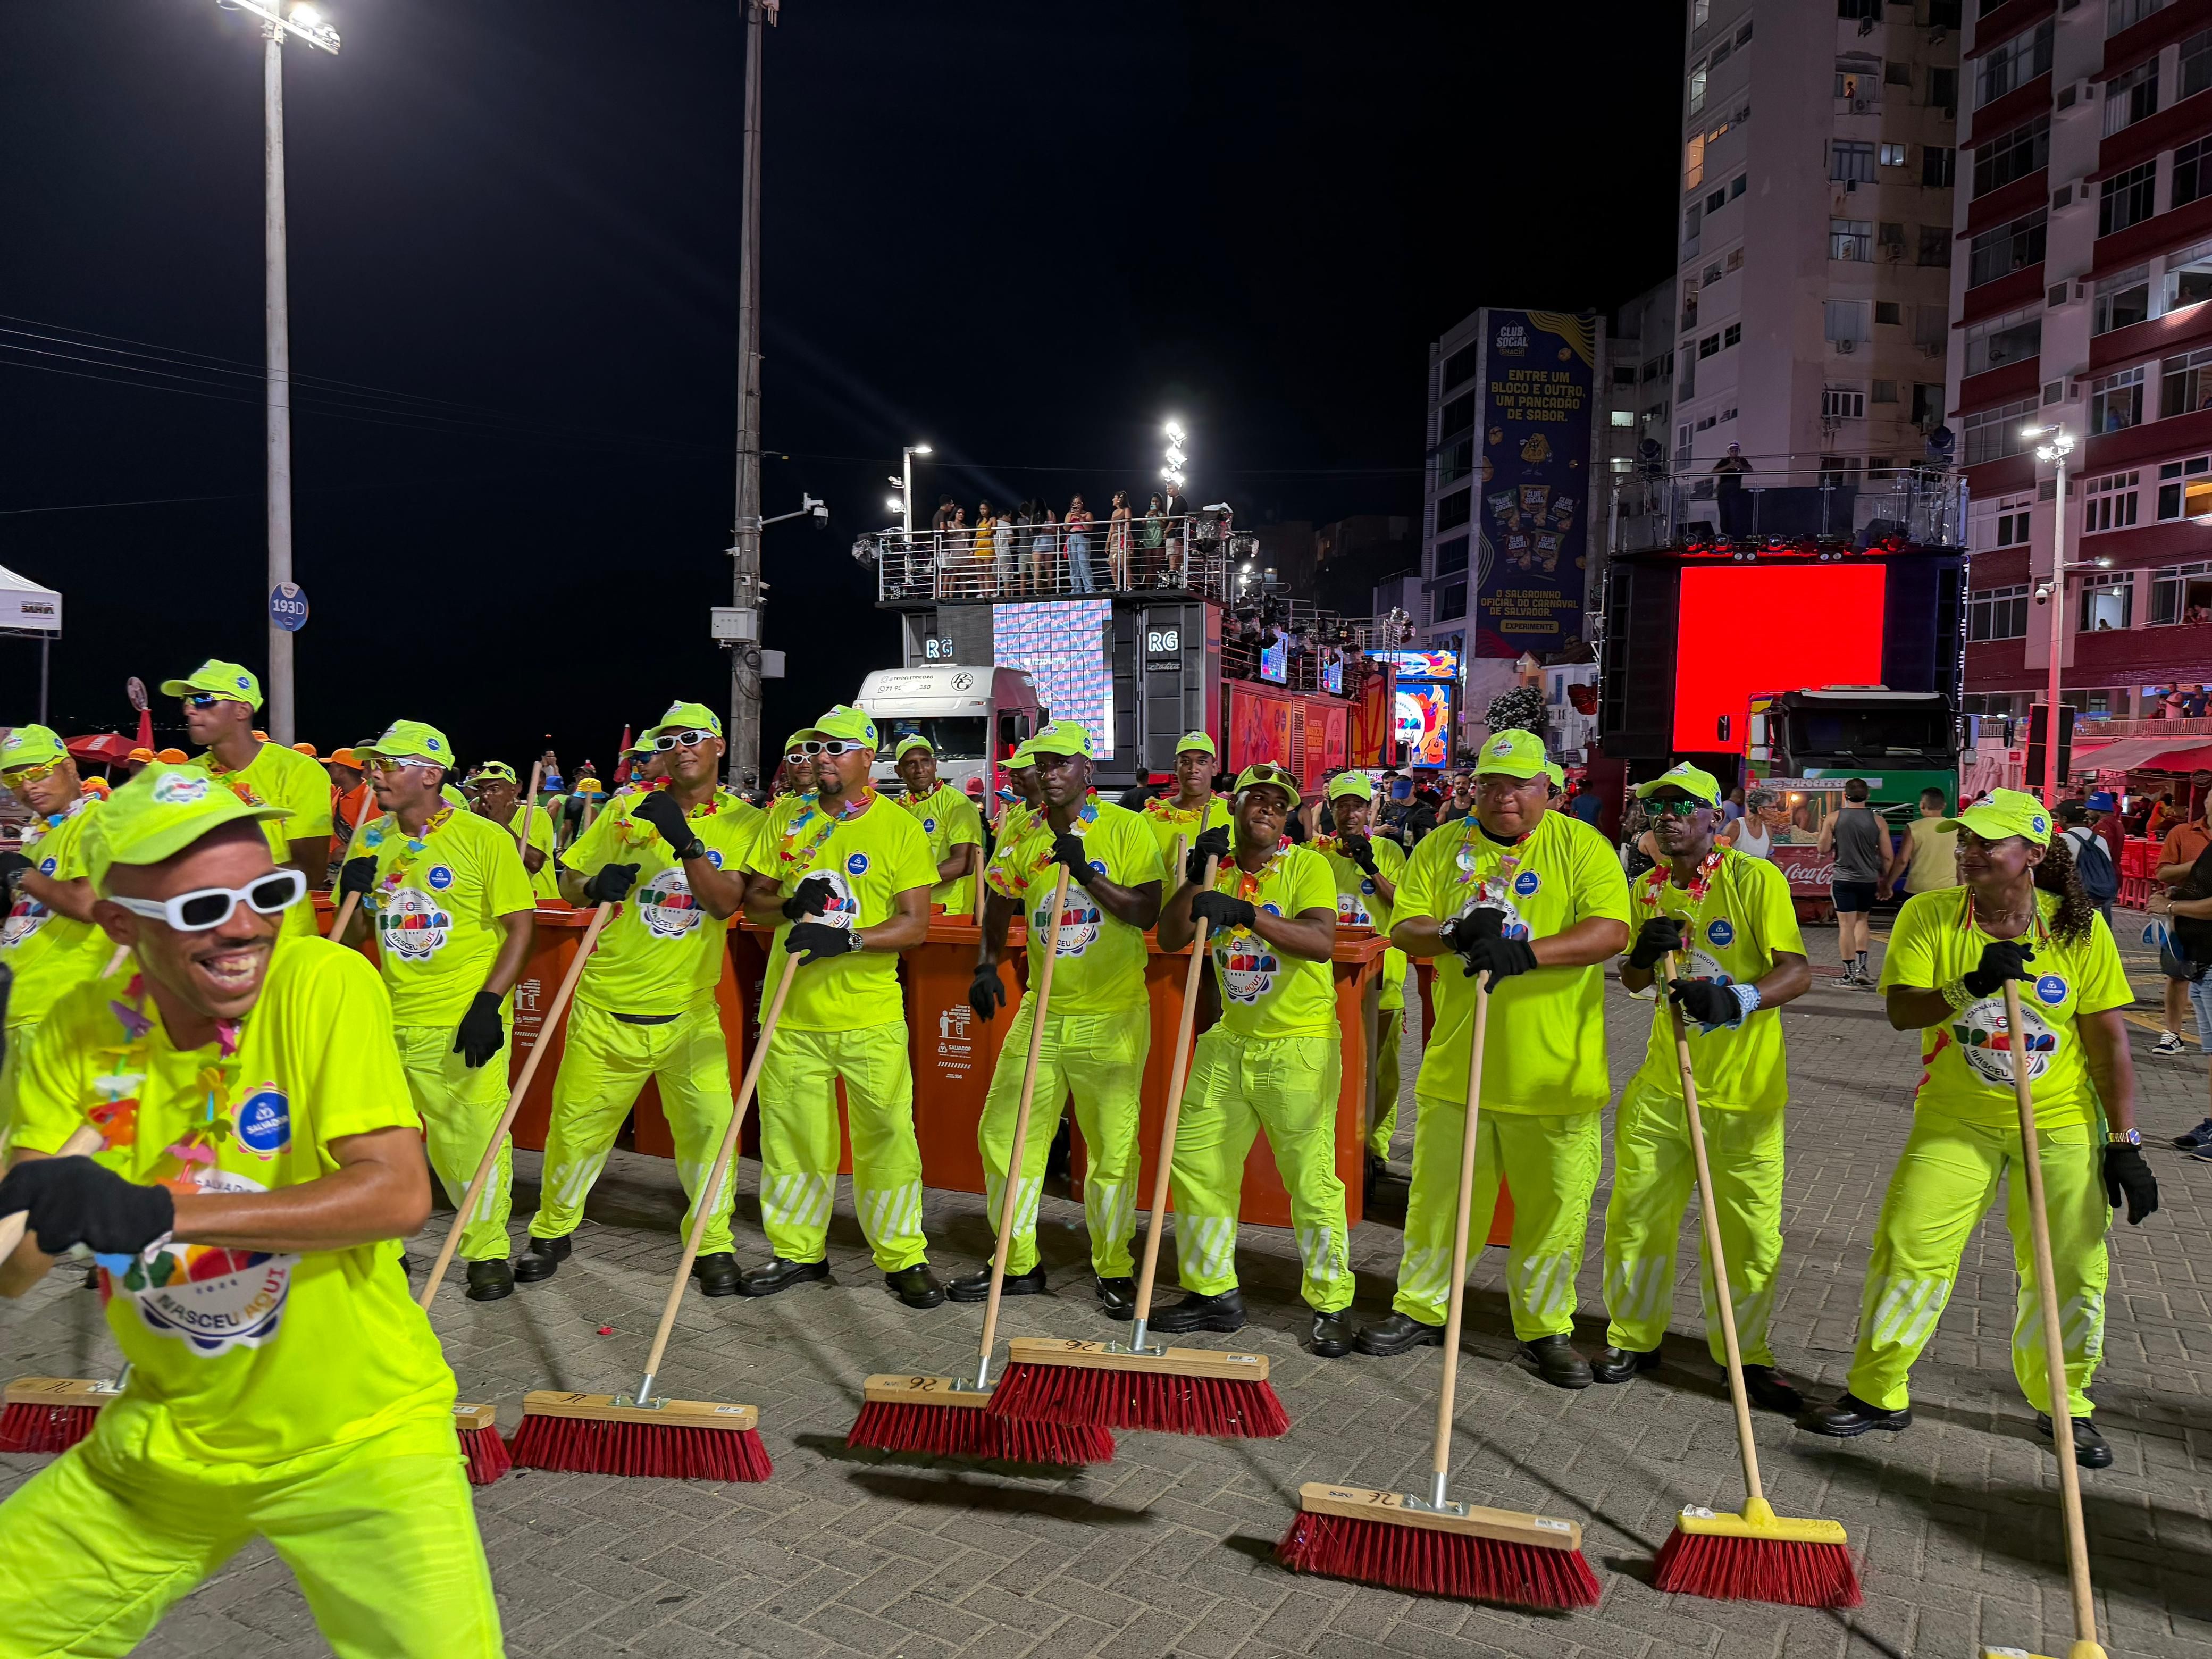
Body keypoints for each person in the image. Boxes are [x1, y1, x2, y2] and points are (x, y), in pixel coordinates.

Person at [0, 760, 502, 1654]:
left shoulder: (320, 979)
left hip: (364, 1438)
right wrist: (42, 1205)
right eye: (200, 911)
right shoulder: (79, 1031)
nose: (245, 929)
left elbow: (395, 1193)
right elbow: (14, 1271)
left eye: (267, 893)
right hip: (170, 1443)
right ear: (120, 924)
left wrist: (159, 1211)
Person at [1798, 790, 2157, 1470]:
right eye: (1964, 840)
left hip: (2057, 1125)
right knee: (1908, 1250)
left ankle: (2065, 1405)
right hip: (1954, 1121)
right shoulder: (1929, 916)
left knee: (2070, 1269)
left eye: (1986, 842)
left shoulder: (2074, 929)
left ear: (2033, 853)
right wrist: (1969, 985)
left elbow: (2109, 1045)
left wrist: (2124, 1143)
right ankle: (1878, 1393)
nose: (1968, 852)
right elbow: (1904, 1011)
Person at [1356, 727, 1632, 1387]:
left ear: (1549, 789)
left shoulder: (1581, 847)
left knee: (1551, 1213)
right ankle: (1421, 1308)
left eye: (1519, 783)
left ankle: (1543, 1329)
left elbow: (1610, 932)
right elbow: (1404, 926)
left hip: (1554, 1076)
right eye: (1491, 783)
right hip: (1460, 1068)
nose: (1504, 796)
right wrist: (1452, 931)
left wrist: (1528, 952)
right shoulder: (1439, 845)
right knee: (1439, 1206)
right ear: (1473, 787)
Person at [518, 702, 760, 1294]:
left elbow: (727, 903)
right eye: (670, 739)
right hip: (605, 1006)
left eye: (694, 738)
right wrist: (593, 884)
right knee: (575, 1131)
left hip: (689, 1013)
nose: (682, 748)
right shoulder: (624, 811)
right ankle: (551, 1230)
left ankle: (712, 1244)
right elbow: (570, 878)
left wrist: (683, 840)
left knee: (709, 1132)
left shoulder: (745, 823)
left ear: (719, 747)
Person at [1597, 764, 1812, 1410]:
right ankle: (1632, 1337)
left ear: (1713, 817)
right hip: (1663, 1089)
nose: (1666, 816)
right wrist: (1641, 953)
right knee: (1636, 1221)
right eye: (1656, 805)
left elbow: (1795, 972)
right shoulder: (1647, 890)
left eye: (1683, 805)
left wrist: (1740, 997)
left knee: (1748, 1236)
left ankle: (1744, 1357)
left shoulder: (1755, 880)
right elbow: (1635, 982)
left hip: (1745, 1096)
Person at [737, 704, 944, 1306]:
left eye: (833, 748)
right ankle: (798, 1253)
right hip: (791, 1015)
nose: (819, 759)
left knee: (886, 1140)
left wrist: (846, 938)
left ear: (864, 756)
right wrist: (787, 903)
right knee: (793, 1142)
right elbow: (754, 903)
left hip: (869, 1018)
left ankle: (902, 1256)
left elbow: (914, 926)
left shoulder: (898, 827)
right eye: (812, 750)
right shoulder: (785, 818)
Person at [1154, 763, 1354, 1355]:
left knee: (1311, 1179)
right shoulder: (1214, 867)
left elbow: (1320, 943)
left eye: (1277, 802)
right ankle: (1212, 1291)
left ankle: (1331, 1301)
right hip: (1229, 1040)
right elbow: (1170, 938)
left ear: (1288, 815)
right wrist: (1195, 879)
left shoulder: (1306, 866)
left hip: (1299, 1044)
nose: (1264, 810)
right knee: (1195, 1163)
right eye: (1253, 800)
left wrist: (1247, 915)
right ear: (1233, 807)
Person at [964, 720, 1163, 1311]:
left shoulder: (1127, 829)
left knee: (1110, 1148)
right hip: (1041, 1013)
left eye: (1061, 763)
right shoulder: (1021, 830)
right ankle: (1016, 1260)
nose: (1049, 773)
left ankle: (1113, 1266)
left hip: (1112, 1014)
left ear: (1087, 771)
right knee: (1003, 1133)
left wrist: (1085, 872)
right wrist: (985, 965)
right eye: (1042, 764)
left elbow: (1146, 912)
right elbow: (1000, 901)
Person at [334, 722, 535, 1302]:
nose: (375, 774)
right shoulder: (370, 838)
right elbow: (350, 941)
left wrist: (488, 1004)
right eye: (373, 764)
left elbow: (519, 928)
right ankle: (384, 1250)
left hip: (457, 1023)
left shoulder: (483, 838)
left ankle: (486, 1251)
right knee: (380, 1146)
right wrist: (350, 892)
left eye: (388, 764)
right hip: (385, 1023)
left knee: (469, 1145)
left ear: (431, 773)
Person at [161, 660, 332, 940]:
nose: (189, 709)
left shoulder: (298, 771)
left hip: (281, 938)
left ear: (242, 709)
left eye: (204, 699)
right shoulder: (182, 777)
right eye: (186, 700)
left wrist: (217, 880)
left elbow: (310, 872)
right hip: (205, 938)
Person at [0, 725, 112, 1127]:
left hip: (59, 1010)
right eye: (13, 779)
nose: (27, 787)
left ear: (69, 767)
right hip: (18, 1007)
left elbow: (88, 903)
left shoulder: (98, 822)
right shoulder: (40, 834)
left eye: (38, 772)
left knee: (49, 1150)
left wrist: (21, 876)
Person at [1314, 773, 1409, 1175]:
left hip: (1382, 983)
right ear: (1331, 810)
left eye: (1357, 805)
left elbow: (1406, 906)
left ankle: (1375, 1146)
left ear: (1370, 808)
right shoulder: (1313, 854)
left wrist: (1370, 867)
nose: (1349, 813)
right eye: (1342, 805)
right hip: (1325, 983)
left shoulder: (1388, 851)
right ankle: (1332, 1141)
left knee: (1380, 1071)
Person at [893, 735, 984, 915]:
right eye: (911, 764)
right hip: (905, 910)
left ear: (935, 765)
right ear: (899, 771)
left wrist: (911, 882)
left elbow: (964, 863)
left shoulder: (957, 804)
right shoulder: (898, 808)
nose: (920, 770)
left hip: (947, 912)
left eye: (925, 762)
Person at [2153, 779, 2212, 1057]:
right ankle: (2173, 1033)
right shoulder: (2182, 833)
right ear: (2206, 803)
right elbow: (2162, 873)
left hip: (2202, 918)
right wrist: (2199, 864)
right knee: (2178, 975)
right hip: (2185, 920)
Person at [1817, 777, 1886, 987]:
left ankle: (1848, 975)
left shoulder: (1834, 818)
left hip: (1843, 880)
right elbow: (1888, 856)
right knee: (1862, 921)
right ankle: (1862, 969)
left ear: (1845, 795)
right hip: (1868, 880)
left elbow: (1823, 849)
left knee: (1845, 925)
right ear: (1868, 796)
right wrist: (1886, 880)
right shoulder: (1878, 821)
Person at [1139, 731, 1234, 870]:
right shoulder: (1148, 819)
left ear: (1214, 768)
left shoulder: (1233, 814)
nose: (1193, 769)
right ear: (1176, 768)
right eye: (1185, 762)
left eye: (1202, 762)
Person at [471, 760, 559, 902]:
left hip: (540, 903)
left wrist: (500, 823)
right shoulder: (479, 821)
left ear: (513, 791)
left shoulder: (534, 815)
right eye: (481, 790)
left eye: (494, 789)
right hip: (506, 902)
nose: (486, 796)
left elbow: (535, 863)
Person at [1886, 786, 1959, 902]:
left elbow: (1902, 861)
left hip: (1917, 889)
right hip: (1947, 889)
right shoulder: (1955, 828)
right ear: (1944, 806)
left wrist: (1888, 884)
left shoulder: (1913, 828)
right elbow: (1960, 860)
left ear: (1922, 806)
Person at [1713, 441, 1753, 535]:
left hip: (1735, 488)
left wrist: (1741, 467)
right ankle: (1724, 535)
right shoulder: (1724, 461)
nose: (1734, 453)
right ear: (1729, 452)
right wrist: (1728, 467)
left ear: (1739, 451)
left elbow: (1750, 470)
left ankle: (1735, 536)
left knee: (1735, 513)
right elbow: (1714, 471)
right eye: (1732, 451)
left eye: (1736, 451)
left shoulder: (1742, 460)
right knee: (1724, 513)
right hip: (1724, 488)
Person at [1066, 495, 1095, 593]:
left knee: (1084, 563)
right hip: (1072, 538)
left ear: (1082, 504)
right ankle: (1076, 589)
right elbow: (1066, 528)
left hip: (1083, 538)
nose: (1076, 505)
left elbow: (1089, 528)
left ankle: (1089, 588)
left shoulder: (1088, 514)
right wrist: (1071, 517)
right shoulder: (1069, 514)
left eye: (1078, 503)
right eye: (1074, 503)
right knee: (1073, 565)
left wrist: (1080, 517)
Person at [1107, 489, 1133, 589]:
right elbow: (1112, 527)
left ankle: (1130, 586)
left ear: (1119, 500)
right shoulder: (1114, 512)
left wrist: (1126, 536)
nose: (1113, 499)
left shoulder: (1126, 510)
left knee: (1124, 563)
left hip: (1123, 537)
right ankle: (1117, 586)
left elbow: (1128, 525)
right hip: (1114, 539)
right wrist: (1107, 542)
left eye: (1115, 497)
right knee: (1113, 564)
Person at [1032, 505, 1060, 592]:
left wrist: (1041, 530)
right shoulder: (1052, 514)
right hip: (1050, 542)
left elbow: (1031, 529)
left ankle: (1036, 590)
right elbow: (1055, 531)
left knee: (1037, 568)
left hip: (1040, 542)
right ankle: (1050, 589)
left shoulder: (1037, 514)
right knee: (1049, 568)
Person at [1141, 494, 1165, 584]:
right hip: (1147, 540)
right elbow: (1142, 524)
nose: (1155, 503)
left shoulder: (1163, 514)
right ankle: (1148, 585)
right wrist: (1147, 516)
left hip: (1158, 540)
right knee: (1148, 564)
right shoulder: (1147, 514)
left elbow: (1163, 526)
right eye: (1153, 502)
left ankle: (1156, 584)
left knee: (1156, 563)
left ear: (1160, 503)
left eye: (1157, 501)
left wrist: (1157, 516)